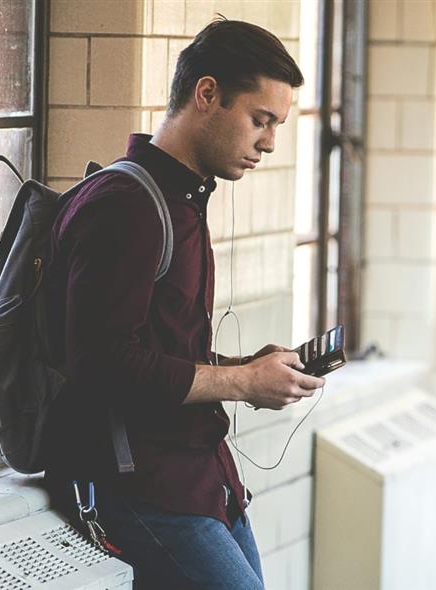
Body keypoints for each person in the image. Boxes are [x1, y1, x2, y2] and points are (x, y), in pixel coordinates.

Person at [43, 17, 324, 590]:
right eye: (260, 120)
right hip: (142, 487)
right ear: (207, 94)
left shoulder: (180, 200)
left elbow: (160, 353)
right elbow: (102, 362)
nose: (269, 142)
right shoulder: (128, 205)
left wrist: (247, 369)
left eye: (276, 125)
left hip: (199, 478)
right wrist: (244, 385)